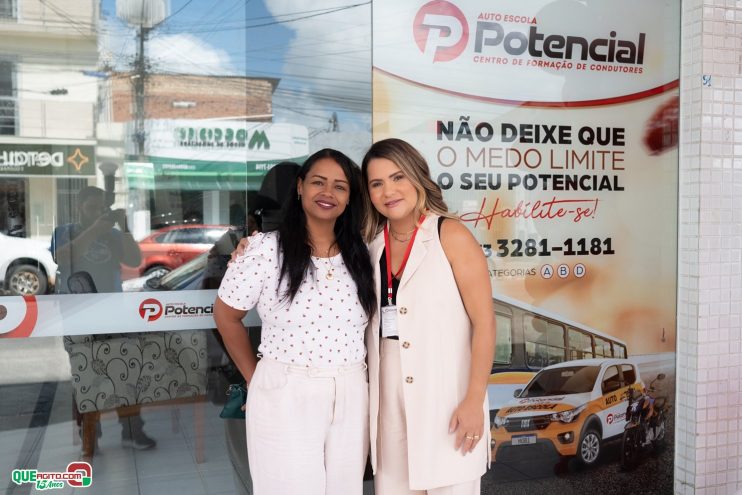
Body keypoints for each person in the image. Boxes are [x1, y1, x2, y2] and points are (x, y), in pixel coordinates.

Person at [214, 149, 376, 495]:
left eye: (340, 186)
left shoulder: (364, 253)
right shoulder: (265, 250)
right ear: (300, 187)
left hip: (351, 390)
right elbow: (226, 315)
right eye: (318, 182)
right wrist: (255, 380)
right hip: (285, 390)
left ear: (350, 198)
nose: (328, 193)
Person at [361, 138, 495, 494]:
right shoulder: (372, 247)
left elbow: (484, 323)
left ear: (418, 177)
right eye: (377, 183)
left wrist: (474, 399)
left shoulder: (449, 234)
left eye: (398, 177)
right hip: (389, 401)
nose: (389, 191)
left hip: (447, 397)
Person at [52, 185, 157, 451]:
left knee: (126, 371)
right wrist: (95, 230)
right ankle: (90, 437)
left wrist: (124, 227)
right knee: (85, 376)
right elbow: (61, 258)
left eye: (102, 208)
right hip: (77, 314)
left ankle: (132, 431)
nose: (98, 212)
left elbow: (134, 259)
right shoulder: (64, 231)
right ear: (79, 207)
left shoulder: (112, 233)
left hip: (112, 311)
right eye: (92, 208)